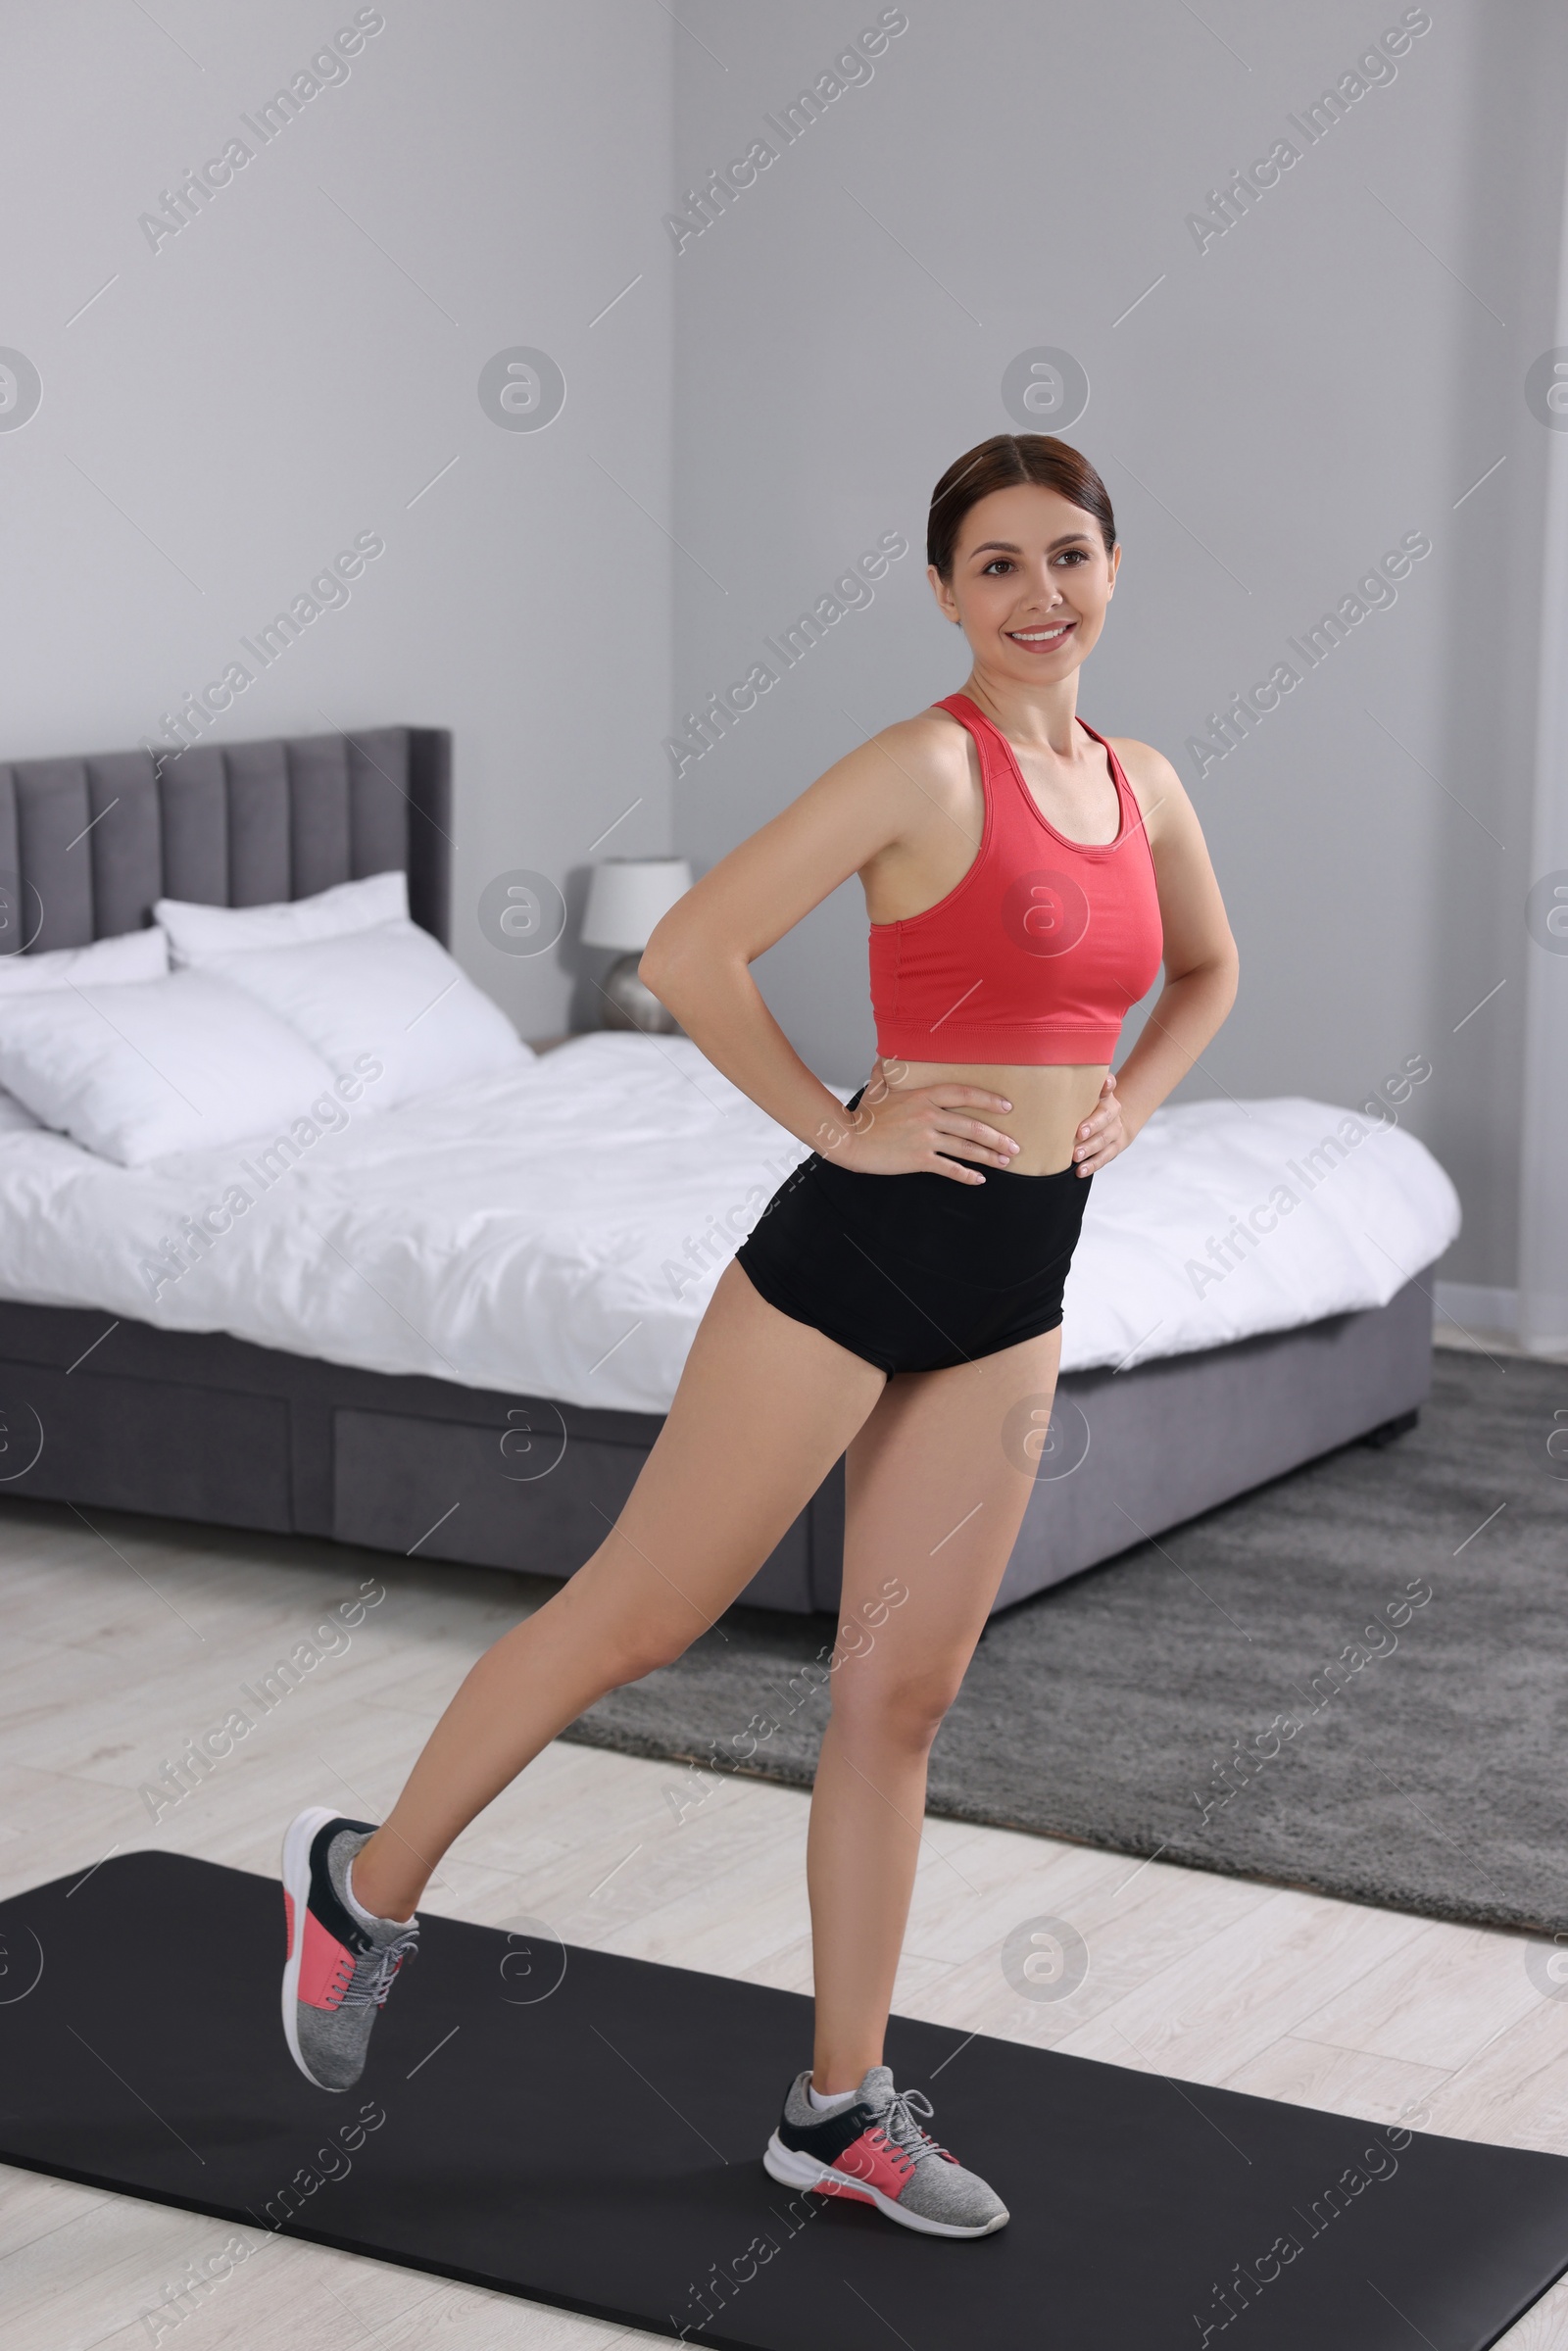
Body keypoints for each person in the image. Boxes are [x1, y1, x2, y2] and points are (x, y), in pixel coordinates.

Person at [278, 431, 1239, 2241]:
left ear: (1116, 567)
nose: (1043, 594)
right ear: (946, 591)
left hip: (1015, 1285)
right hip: (855, 1260)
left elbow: (1207, 973)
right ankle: (360, 1888)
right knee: (645, 1614)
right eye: (999, 565)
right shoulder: (917, 767)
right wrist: (837, 1120)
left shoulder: (1148, 786)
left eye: (1071, 556)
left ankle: (838, 2107)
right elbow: (697, 950)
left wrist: (1134, 1100)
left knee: (903, 1696)